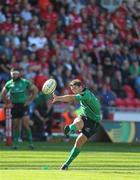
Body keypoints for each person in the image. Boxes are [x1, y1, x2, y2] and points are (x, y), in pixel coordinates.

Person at [52, 79, 102, 170]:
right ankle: (71, 128)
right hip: (85, 117)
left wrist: (58, 98)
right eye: (72, 89)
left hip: (94, 123)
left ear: (81, 87)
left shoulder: (85, 94)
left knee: (79, 142)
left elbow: (71, 98)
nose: (73, 90)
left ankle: (67, 163)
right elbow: (72, 97)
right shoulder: (84, 93)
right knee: (78, 120)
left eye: (75, 88)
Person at [1, 67, 38, 149]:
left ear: (19, 74)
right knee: (15, 125)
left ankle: (31, 143)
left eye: (16, 73)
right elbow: (3, 94)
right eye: (13, 73)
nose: (14, 75)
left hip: (23, 105)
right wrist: (7, 103)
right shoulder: (9, 83)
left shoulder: (25, 82)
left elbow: (35, 90)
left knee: (25, 124)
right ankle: (15, 144)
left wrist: (30, 100)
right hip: (14, 106)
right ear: (11, 74)